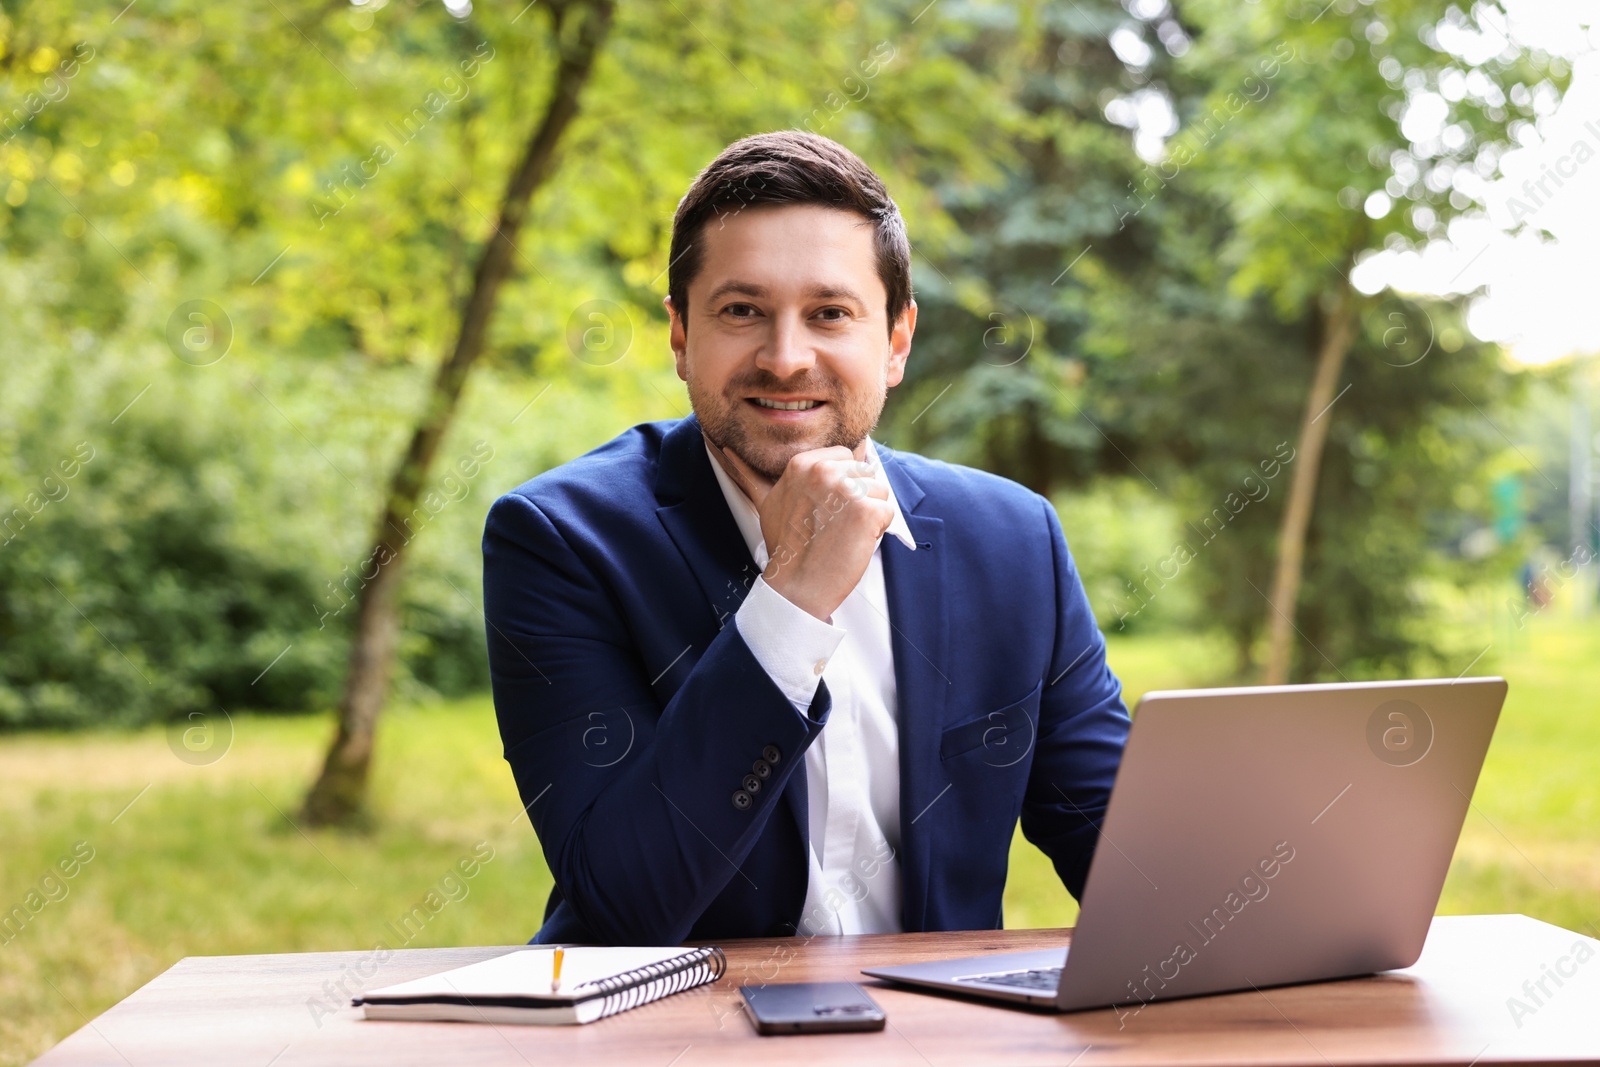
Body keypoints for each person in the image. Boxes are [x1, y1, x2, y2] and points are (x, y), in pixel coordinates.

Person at [482, 130, 1130, 946]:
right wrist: (790, 598)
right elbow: (625, 905)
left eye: (830, 313)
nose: (786, 359)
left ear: (895, 341)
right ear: (681, 335)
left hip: (938, 1038)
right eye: (742, 311)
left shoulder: (1011, 539)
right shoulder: (559, 539)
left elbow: (1126, 858)